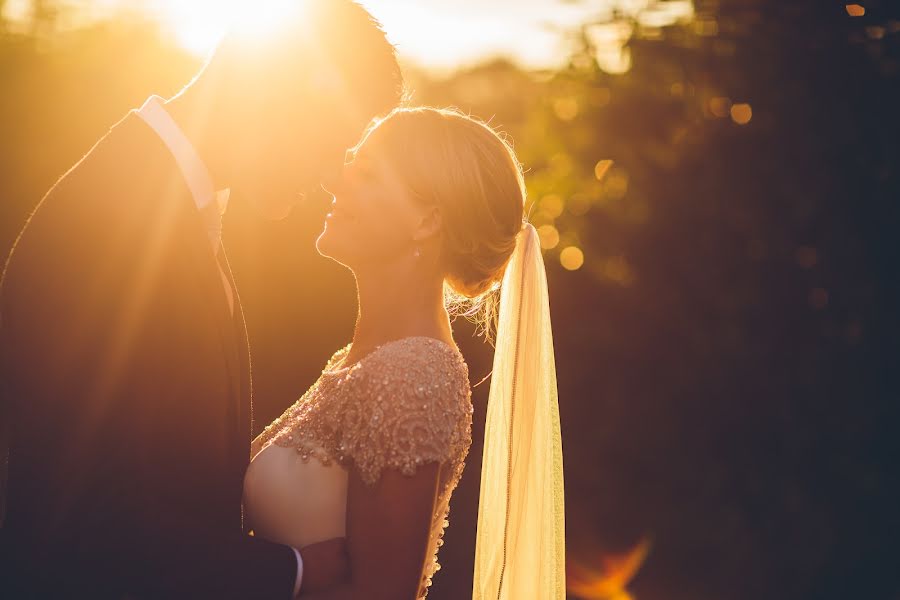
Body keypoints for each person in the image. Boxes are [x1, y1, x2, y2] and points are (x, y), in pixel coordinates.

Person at [0, 2, 402, 597]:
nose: (326, 176)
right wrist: (291, 573)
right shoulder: (108, 221)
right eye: (330, 143)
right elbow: (84, 514)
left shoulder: (169, 204)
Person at [244, 107, 566, 599]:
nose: (335, 184)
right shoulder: (359, 360)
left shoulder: (412, 373)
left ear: (426, 220)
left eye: (367, 173)